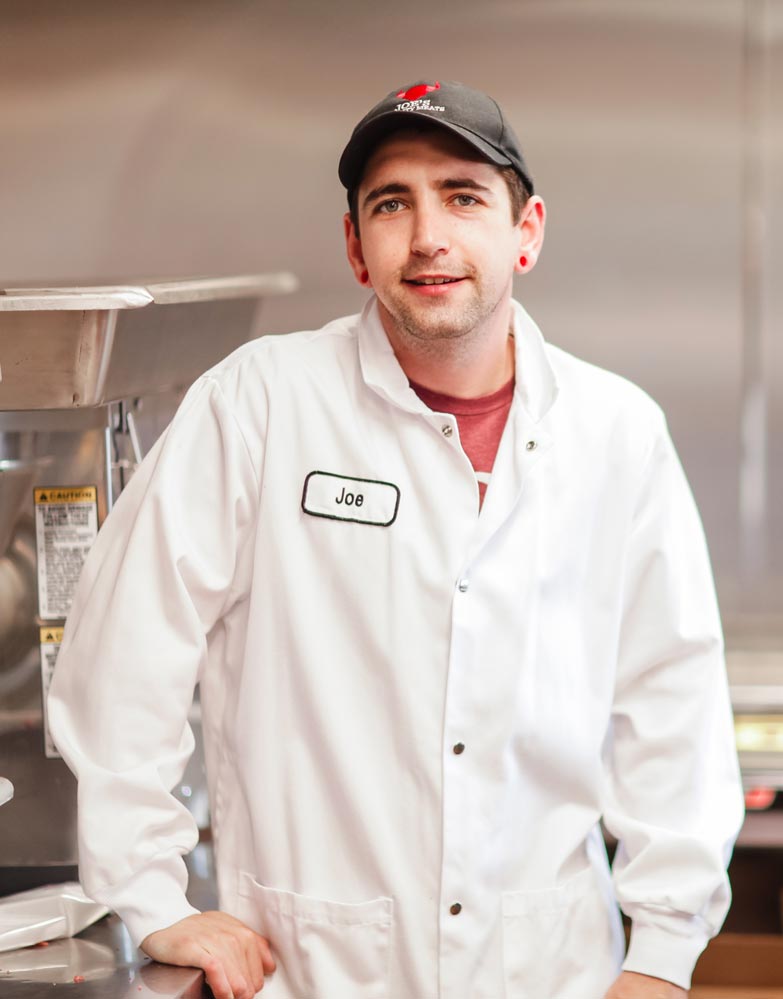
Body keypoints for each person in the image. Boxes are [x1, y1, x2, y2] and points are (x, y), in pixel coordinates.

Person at [48, 80, 744, 999]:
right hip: (312, 972)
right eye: (391, 203)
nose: (427, 237)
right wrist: (151, 894)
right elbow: (123, 649)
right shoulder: (260, 403)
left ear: (526, 230)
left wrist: (662, 952)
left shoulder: (616, 433)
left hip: (555, 973)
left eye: (462, 195)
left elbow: (672, 702)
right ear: (354, 244)